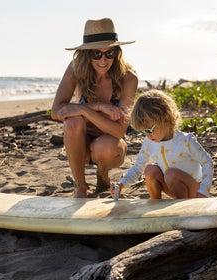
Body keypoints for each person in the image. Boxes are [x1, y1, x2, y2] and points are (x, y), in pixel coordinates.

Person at [51, 18, 138, 198]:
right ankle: (81, 187)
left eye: (109, 53)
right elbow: (56, 111)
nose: (103, 60)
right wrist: (95, 107)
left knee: (105, 146)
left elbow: (118, 131)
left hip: (109, 147)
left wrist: (84, 110)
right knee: (72, 122)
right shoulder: (76, 69)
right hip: (79, 146)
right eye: (96, 54)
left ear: (117, 52)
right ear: (86, 54)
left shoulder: (128, 78)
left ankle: (102, 174)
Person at [111, 89, 213, 199]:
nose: (148, 135)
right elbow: (137, 167)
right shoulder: (149, 142)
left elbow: (207, 162)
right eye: (144, 131)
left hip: (193, 190)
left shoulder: (185, 141)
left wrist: (203, 192)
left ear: (166, 118)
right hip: (171, 186)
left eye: (150, 130)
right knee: (150, 170)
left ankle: (182, 208)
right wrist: (121, 185)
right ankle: (155, 203)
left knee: (171, 174)